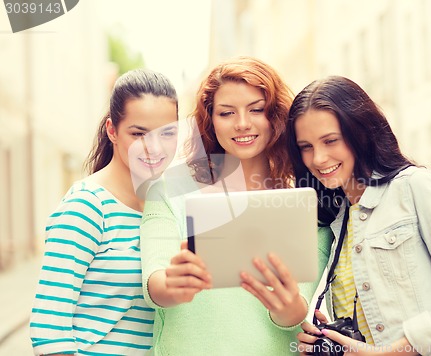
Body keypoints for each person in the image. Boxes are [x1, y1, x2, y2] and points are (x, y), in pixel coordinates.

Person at [286, 75, 431, 355]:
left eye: (330, 141)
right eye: (306, 147)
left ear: (360, 133)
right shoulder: (338, 222)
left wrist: (393, 351)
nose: (318, 158)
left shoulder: (413, 187)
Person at [140, 56, 330, 355]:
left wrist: (290, 308)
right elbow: (155, 282)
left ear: (277, 116)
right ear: (210, 120)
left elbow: (298, 309)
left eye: (256, 110)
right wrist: (173, 284)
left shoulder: (307, 203)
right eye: (227, 113)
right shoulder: (168, 191)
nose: (242, 124)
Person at [30, 68, 179, 355]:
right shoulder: (87, 206)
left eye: (167, 133)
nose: (154, 147)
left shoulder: (164, 205)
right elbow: (49, 327)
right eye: (138, 134)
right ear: (112, 130)